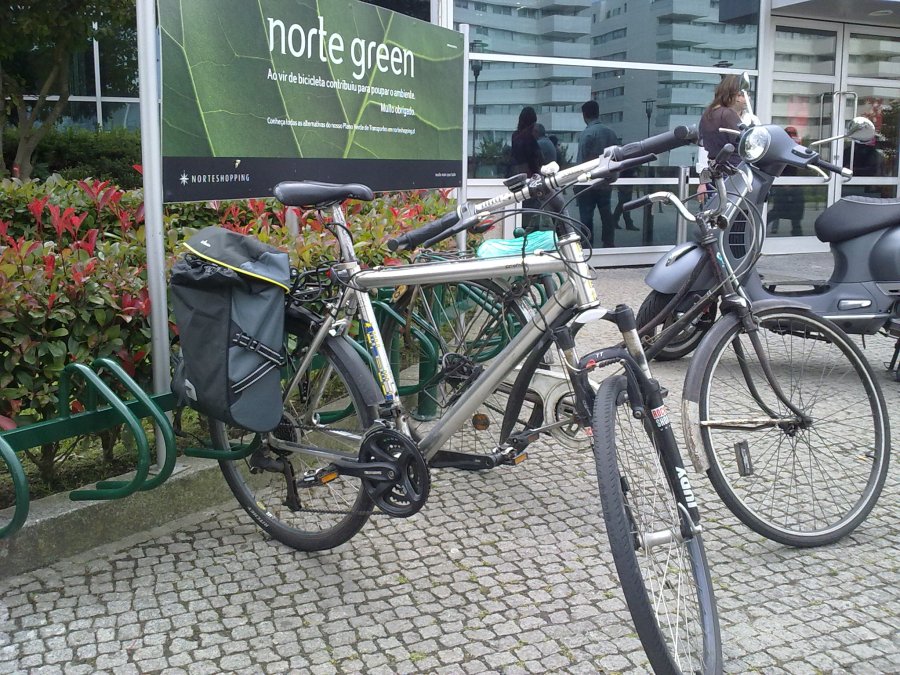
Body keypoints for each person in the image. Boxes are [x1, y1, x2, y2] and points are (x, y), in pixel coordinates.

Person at [697, 75, 747, 202]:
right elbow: (746, 144)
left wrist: (704, 181)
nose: (745, 99)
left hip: (715, 173)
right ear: (733, 95)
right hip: (733, 173)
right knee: (735, 211)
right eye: (740, 95)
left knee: (716, 210)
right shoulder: (727, 114)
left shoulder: (708, 114)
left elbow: (705, 149)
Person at [575, 100, 618, 247]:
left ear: (585, 114)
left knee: (586, 217)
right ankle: (609, 244)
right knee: (606, 215)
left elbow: (582, 161)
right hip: (606, 181)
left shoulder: (587, 133)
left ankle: (587, 245)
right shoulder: (611, 133)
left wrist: (577, 182)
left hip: (588, 183)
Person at [508, 106, 544, 230]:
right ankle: (530, 231)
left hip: (516, 174)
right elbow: (534, 159)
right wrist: (539, 173)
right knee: (532, 210)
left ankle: (520, 228)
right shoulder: (529, 138)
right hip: (529, 175)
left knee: (520, 205)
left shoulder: (515, 136)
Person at [768, 126, 805, 236]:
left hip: (793, 185)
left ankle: (797, 234)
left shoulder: (797, 147)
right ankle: (758, 229)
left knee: (796, 214)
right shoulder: (781, 147)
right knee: (777, 211)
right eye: (789, 135)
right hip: (782, 184)